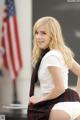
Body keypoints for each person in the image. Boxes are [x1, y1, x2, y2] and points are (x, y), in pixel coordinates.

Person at [27, 16, 80, 120]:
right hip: (75, 107)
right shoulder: (61, 52)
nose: (38, 37)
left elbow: (59, 88)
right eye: (36, 33)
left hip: (57, 107)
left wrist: (40, 100)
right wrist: (77, 95)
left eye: (43, 33)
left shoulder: (51, 56)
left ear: (53, 35)